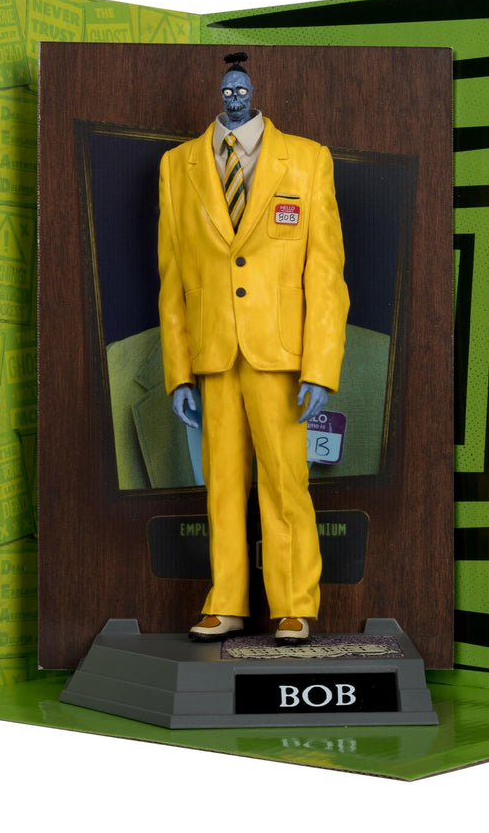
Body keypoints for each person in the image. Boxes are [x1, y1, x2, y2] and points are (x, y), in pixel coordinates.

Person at [157, 52, 349, 644]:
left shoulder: (308, 159)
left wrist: (320, 366)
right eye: (227, 89)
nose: (234, 97)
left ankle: (294, 603)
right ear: (221, 93)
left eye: (241, 88)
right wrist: (178, 372)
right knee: (220, 484)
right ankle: (227, 599)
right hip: (214, 354)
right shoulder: (178, 166)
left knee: (286, 483)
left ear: (252, 93)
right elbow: (172, 279)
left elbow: (326, 275)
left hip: (280, 357)